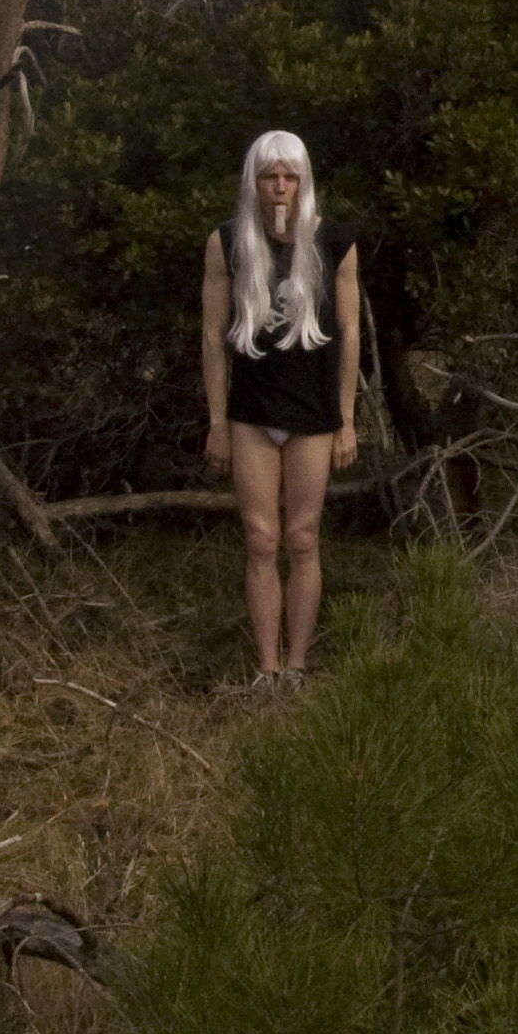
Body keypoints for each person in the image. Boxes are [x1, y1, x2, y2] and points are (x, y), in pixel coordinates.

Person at [200, 129, 360, 683]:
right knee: (261, 538)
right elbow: (212, 335)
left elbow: (349, 333)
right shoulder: (227, 242)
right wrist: (217, 422)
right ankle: (266, 669)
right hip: (250, 410)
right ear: (255, 181)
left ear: (304, 180)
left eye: (291, 176)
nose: (281, 186)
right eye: (270, 175)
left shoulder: (335, 242)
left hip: (312, 412)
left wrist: (347, 420)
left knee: (303, 537)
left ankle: (297, 665)